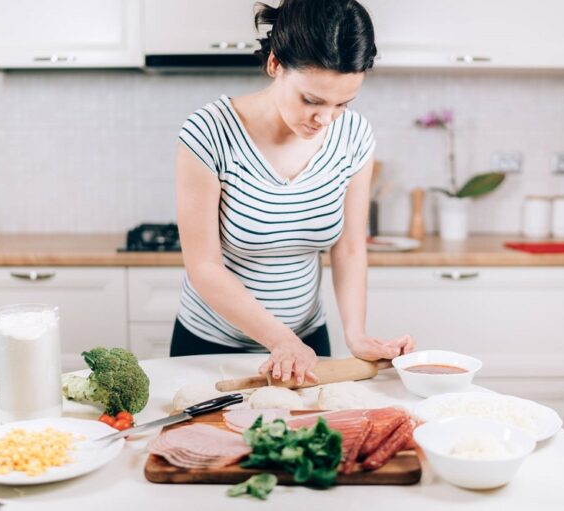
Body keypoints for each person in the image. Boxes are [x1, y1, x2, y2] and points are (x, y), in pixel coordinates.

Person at [171, 0, 415, 385]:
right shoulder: (208, 133)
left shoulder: (353, 136)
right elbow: (203, 266)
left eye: (342, 103)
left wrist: (355, 335)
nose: (326, 119)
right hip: (211, 346)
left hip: (306, 342)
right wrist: (279, 340)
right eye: (312, 100)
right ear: (275, 65)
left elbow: (349, 246)